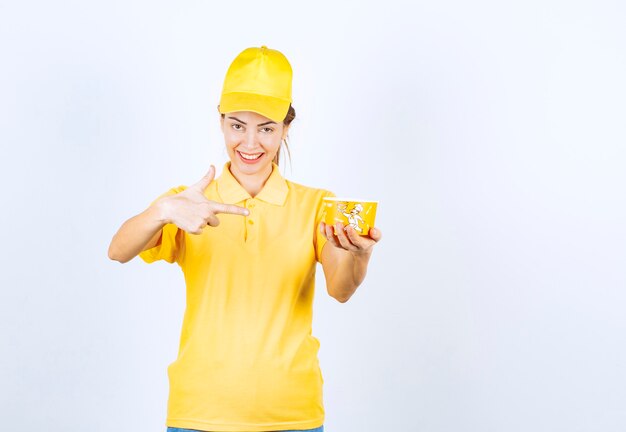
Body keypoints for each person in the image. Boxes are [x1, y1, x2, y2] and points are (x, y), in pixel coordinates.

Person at [108, 45, 382, 432]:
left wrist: (359, 256)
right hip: (199, 412)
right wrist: (163, 211)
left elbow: (340, 290)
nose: (250, 143)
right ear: (221, 123)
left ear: (286, 128)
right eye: (237, 125)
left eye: (266, 128)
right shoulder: (188, 202)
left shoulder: (317, 205)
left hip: (292, 414)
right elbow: (118, 251)